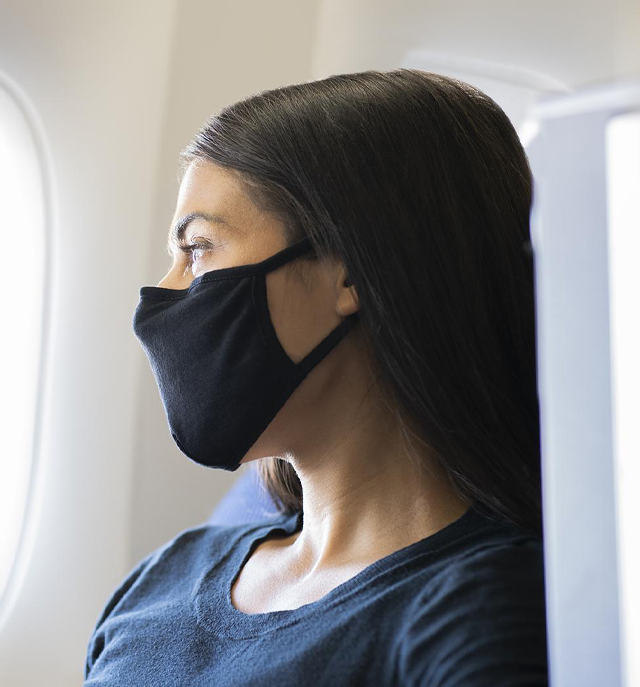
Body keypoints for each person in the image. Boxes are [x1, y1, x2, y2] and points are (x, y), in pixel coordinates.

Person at [83, 69, 547, 686]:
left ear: (349, 274)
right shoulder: (161, 578)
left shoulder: (481, 610)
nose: (162, 298)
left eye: (199, 249)